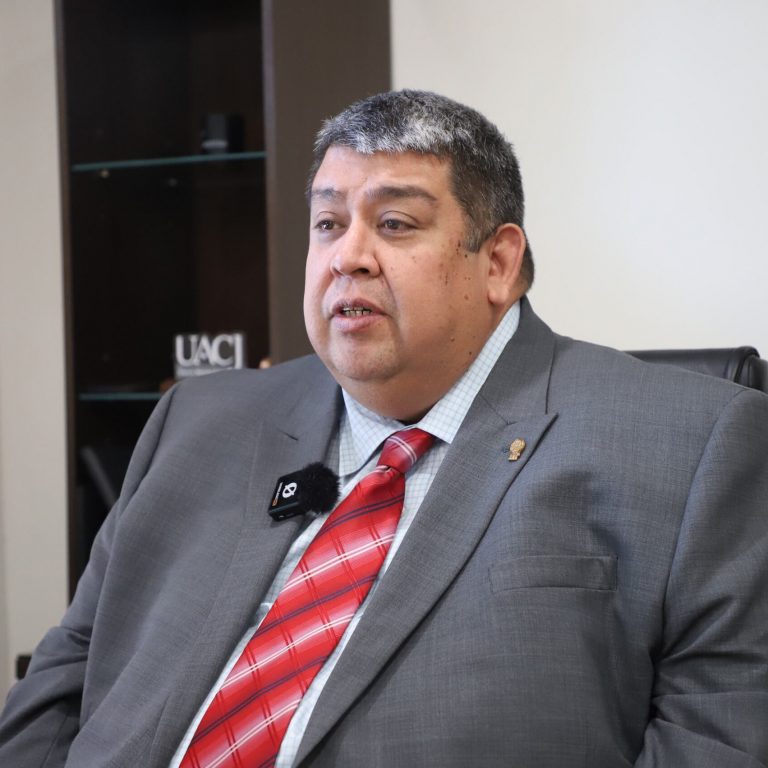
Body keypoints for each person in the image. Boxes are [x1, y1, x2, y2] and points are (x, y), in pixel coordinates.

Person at [1, 89, 767, 768]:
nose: (348, 257)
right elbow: (70, 675)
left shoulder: (695, 443)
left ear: (499, 262)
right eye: (327, 223)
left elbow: (720, 733)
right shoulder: (198, 422)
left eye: (395, 223)